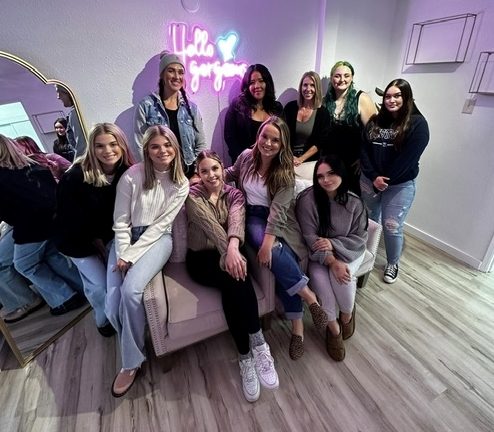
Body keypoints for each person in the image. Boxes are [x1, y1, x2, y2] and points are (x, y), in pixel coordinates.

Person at [226, 116, 328, 361]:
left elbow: (278, 212)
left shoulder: (284, 173)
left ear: (283, 145)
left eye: (275, 140)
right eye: (265, 136)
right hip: (251, 215)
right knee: (277, 257)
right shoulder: (246, 157)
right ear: (258, 135)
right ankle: (310, 299)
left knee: (278, 260)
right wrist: (208, 177)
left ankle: (298, 329)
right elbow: (232, 172)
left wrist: (268, 245)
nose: (268, 143)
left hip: (277, 220)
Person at [186, 150, 279, 402]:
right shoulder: (192, 196)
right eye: (204, 171)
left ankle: (249, 353)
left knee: (232, 281)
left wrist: (233, 249)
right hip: (200, 259)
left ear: (222, 167)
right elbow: (211, 226)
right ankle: (256, 343)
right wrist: (231, 251)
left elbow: (236, 221)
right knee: (235, 274)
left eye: (214, 169)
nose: (210, 175)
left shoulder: (235, 193)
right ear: (198, 173)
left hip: (230, 251)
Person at [106, 125, 189, 397]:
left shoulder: (181, 183)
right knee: (112, 305)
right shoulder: (132, 176)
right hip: (126, 237)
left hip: (158, 240)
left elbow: (160, 226)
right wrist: (123, 252)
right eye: (155, 146)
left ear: (175, 147)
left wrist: (132, 256)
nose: (162, 151)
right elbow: (120, 222)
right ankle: (135, 339)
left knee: (131, 291)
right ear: (146, 150)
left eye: (167, 145)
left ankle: (131, 363)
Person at [55, 123, 134, 337]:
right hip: (77, 241)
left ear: (122, 145)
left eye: (112, 144)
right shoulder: (75, 177)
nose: (108, 151)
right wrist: (95, 242)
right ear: (92, 148)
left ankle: (113, 318)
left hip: (108, 236)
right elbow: (69, 221)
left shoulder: (126, 172)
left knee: (111, 284)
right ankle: (102, 321)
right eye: (100, 146)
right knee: (98, 285)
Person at [0, 134, 85, 316]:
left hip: (32, 227)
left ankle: (65, 297)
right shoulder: (34, 165)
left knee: (24, 264)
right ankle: (81, 289)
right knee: (50, 255)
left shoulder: (2, 176)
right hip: (54, 220)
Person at [296, 155, 368, 361]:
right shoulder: (307, 201)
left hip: (350, 250)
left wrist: (334, 244)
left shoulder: (354, 202)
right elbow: (310, 238)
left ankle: (346, 314)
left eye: (331, 173)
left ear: (341, 173)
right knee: (322, 285)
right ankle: (333, 328)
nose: (326, 180)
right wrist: (332, 260)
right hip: (319, 255)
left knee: (343, 279)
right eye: (320, 176)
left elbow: (360, 238)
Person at [360, 78, 429, 284]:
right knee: (369, 221)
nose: (391, 100)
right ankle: (364, 255)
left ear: (406, 97)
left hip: (399, 185)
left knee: (392, 226)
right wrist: (373, 177)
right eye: (388, 96)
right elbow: (364, 150)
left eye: (397, 95)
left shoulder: (418, 124)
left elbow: (408, 159)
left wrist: (384, 181)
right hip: (370, 180)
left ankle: (392, 262)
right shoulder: (375, 121)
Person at [133, 51, 206, 179]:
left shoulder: (192, 109)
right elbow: (140, 144)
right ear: (162, 75)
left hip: (189, 175)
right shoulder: (146, 106)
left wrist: (196, 172)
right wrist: (151, 174)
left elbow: (201, 144)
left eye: (181, 72)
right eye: (171, 71)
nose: (177, 76)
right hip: (160, 175)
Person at [323, 61, 377, 195]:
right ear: (331, 78)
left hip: (352, 166)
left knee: (350, 204)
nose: (342, 80)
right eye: (337, 76)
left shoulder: (361, 98)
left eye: (346, 76)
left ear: (352, 77)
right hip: (329, 164)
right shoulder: (325, 101)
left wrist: (363, 159)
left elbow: (374, 133)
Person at [224, 64, 283, 163]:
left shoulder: (277, 108)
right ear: (247, 86)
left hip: (272, 164)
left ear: (267, 83)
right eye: (252, 82)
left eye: (261, 81)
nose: (257, 86)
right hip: (245, 164)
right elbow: (230, 138)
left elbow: (283, 138)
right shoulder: (237, 106)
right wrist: (246, 159)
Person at [283, 71, 330, 166]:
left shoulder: (323, 113)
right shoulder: (290, 107)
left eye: (312, 85)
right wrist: (289, 156)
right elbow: (281, 134)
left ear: (317, 88)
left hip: (310, 161)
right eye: (305, 85)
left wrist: (301, 159)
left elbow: (320, 143)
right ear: (301, 87)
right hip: (287, 158)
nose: (308, 89)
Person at [0, 224, 45, 323]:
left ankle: (25, 302)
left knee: (0, 263)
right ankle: (20, 300)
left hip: (23, 222)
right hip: (17, 223)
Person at [56, 85, 88, 158]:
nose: (58, 96)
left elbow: (82, 145)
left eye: (58, 91)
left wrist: (77, 166)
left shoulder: (76, 113)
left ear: (68, 92)